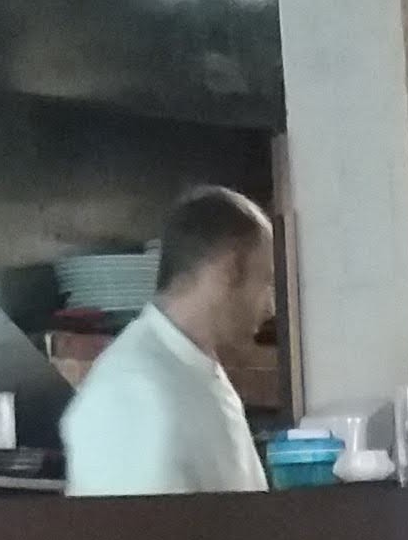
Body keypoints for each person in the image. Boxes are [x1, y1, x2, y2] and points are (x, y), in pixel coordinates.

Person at [60, 186, 275, 494]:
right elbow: (141, 525)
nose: (270, 307)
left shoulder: (191, 366)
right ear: (227, 270)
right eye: (265, 282)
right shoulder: (130, 392)